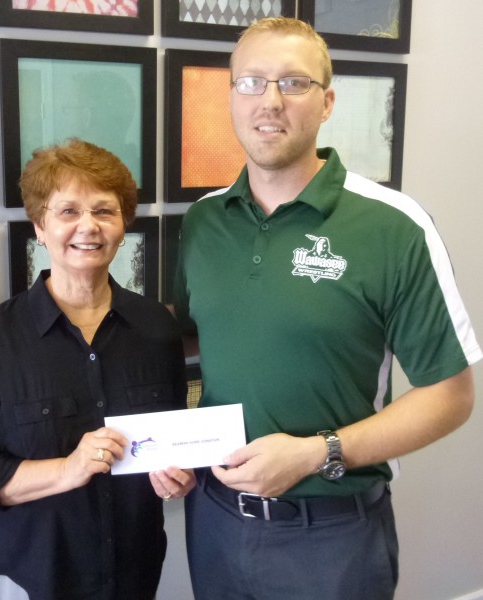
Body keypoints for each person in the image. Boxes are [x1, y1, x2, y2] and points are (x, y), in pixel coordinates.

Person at [169, 17, 482, 600]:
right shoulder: (204, 222)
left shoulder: (394, 227)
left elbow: (451, 395)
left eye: (294, 83)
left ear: (328, 101)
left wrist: (319, 452)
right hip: (213, 524)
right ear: (230, 96)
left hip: (331, 541)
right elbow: (197, 344)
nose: (270, 102)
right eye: (252, 83)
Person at [0, 138, 195, 600]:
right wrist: (67, 469)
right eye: (68, 212)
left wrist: (176, 475)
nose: (89, 227)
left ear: (122, 226)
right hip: (33, 576)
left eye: (104, 211)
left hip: (135, 572)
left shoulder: (156, 326)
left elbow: (169, 437)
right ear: (39, 226)